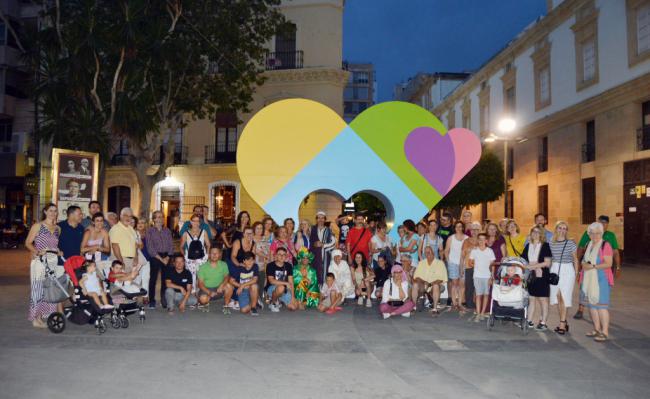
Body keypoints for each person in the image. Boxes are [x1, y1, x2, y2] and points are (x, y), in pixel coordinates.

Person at [574, 215, 621, 320]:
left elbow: (615, 253)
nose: (603, 224)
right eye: (601, 222)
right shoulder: (588, 235)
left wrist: (618, 267)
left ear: (608, 224)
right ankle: (580, 309)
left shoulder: (610, 236)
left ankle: (601, 313)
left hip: (602, 271)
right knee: (583, 289)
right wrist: (578, 268)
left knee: (601, 292)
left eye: (605, 223)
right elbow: (580, 249)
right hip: (587, 268)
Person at [25, 203, 63, 328]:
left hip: (53, 262)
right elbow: (28, 243)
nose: (53, 213)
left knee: (49, 290)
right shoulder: (38, 226)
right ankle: (36, 318)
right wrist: (36, 251)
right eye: (51, 210)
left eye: (55, 211)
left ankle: (43, 316)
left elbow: (54, 245)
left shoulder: (58, 228)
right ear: (45, 212)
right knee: (38, 289)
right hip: (40, 262)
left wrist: (58, 251)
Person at [579, 222, 614, 342]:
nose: (595, 235)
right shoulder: (589, 244)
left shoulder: (605, 245)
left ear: (601, 233)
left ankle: (604, 332)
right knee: (592, 306)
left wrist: (593, 266)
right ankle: (597, 329)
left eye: (597, 233)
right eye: (592, 233)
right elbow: (583, 261)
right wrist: (583, 265)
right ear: (589, 234)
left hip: (602, 279)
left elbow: (609, 263)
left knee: (601, 307)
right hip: (589, 279)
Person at [109, 207, 149, 293]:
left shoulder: (131, 229)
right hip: (120, 260)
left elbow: (135, 245)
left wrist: (135, 258)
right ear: (120, 216)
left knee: (128, 283)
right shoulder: (116, 228)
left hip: (130, 260)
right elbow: (115, 246)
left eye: (130, 216)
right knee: (119, 283)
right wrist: (121, 262)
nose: (128, 218)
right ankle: (118, 303)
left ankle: (128, 303)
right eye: (125, 215)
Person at [549, 221, 579, 335]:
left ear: (567, 231)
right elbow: (550, 257)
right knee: (558, 297)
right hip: (555, 269)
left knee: (564, 296)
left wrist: (576, 273)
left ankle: (562, 323)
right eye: (560, 228)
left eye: (565, 228)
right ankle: (564, 321)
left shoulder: (571, 243)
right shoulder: (551, 242)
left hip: (567, 270)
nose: (562, 230)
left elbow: (575, 259)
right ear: (556, 229)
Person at [522, 226, 552, 330]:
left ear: (541, 234)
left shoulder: (545, 246)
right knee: (531, 299)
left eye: (538, 232)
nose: (535, 233)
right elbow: (523, 261)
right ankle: (529, 321)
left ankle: (543, 322)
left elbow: (547, 263)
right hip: (531, 277)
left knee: (543, 299)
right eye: (533, 231)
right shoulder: (528, 246)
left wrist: (532, 266)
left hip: (542, 276)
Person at [145, 210, 174, 309]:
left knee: (165, 279)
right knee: (153, 279)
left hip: (167, 256)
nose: (159, 219)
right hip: (155, 257)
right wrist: (162, 259)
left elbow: (171, 245)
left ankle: (163, 300)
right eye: (157, 217)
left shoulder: (167, 230)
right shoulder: (149, 231)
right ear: (153, 219)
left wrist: (168, 257)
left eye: (161, 216)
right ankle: (152, 301)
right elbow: (150, 247)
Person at [413, 246, 448, 315]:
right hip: (423, 285)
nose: (428, 253)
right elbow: (416, 277)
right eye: (426, 252)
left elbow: (442, 279)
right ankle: (413, 307)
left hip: (435, 285)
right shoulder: (421, 263)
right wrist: (424, 282)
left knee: (435, 286)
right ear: (424, 254)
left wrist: (430, 284)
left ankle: (434, 309)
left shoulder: (440, 263)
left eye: (429, 251)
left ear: (433, 252)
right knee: (415, 284)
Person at [197, 247, 233, 313]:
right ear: (209, 254)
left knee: (229, 286)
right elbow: (200, 284)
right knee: (203, 299)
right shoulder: (203, 267)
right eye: (212, 253)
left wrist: (222, 285)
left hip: (219, 289)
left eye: (216, 253)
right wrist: (209, 292)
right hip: (207, 289)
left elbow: (227, 277)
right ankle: (206, 304)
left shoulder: (223, 264)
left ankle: (226, 306)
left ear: (219, 254)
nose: (214, 255)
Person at [180, 213, 210, 293]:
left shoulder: (204, 232)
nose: (196, 223)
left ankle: (200, 295)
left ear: (200, 222)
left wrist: (206, 256)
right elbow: (181, 246)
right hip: (190, 260)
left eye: (198, 221)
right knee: (191, 278)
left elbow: (208, 244)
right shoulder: (186, 233)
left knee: (201, 278)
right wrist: (185, 256)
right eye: (194, 221)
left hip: (202, 259)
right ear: (191, 222)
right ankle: (192, 296)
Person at [469, 233, 496, 322]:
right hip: (477, 275)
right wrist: (474, 264)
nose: (481, 241)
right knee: (478, 295)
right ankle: (478, 312)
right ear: (478, 240)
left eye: (483, 239)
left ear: (486, 241)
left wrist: (492, 276)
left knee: (486, 295)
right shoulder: (474, 250)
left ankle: (482, 313)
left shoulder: (490, 251)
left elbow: (492, 265)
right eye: (479, 239)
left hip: (487, 276)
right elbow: (470, 262)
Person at [266, 247, 297, 312]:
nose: (282, 256)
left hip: (284, 289)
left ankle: (279, 300)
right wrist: (285, 283)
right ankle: (273, 303)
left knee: (294, 307)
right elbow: (271, 281)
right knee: (281, 287)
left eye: (284, 255)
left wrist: (293, 297)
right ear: (276, 255)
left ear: (286, 256)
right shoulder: (270, 265)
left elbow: (291, 282)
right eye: (279, 254)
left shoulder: (288, 266)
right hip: (272, 289)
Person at [229, 251, 260, 316]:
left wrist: (243, 285)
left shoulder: (255, 266)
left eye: (251, 260)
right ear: (244, 261)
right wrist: (240, 286)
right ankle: (254, 302)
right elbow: (231, 281)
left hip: (250, 288)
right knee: (244, 310)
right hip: (242, 290)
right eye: (247, 260)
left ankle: (253, 307)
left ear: (254, 261)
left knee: (254, 286)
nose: (249, 262)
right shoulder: (239, 268)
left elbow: (255, 280)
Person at [309, 211, 336, 285]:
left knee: (324, 272)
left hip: (325, 255)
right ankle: (315, 291)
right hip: (314, 255)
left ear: (325, 219)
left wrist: (323, 245)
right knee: (314, 272)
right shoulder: (311, 229)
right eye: (319, 218)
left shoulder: (329, 230)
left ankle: (323, 291)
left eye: (322, 218)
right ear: (316, 219)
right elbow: (308, 242)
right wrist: (314, 244)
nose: (320, 220)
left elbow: (333, 243)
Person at [446, 221, 467, 310]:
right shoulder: (451, 238)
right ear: (454, 228)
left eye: (460, 226)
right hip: (453, 263)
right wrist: (449, 261)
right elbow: (446, 250)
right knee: (454, 284)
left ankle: (460, 303)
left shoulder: (467, 238)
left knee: (462, 284)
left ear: (463, 227)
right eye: (457, 227)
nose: (458, 228)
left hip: (464, 264)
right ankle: (454, 303)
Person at [460, 222, 480, 311]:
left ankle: (478, 304)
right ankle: (469, 305)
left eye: (476, 229)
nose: (474, 231)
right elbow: (462, 256)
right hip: (468, 267)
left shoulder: (483, 240)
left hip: (480, 267)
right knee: (469, 287)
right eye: (472, 230)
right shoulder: (466, 241)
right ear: (470, 231)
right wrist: (461, 268)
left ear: (480, 230)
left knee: (478, 287)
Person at [252, 221, 271, 304]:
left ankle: (259, 300)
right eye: (257, 228)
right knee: (253, 283)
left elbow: (268, 250)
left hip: (263, 265)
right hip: (252, 264)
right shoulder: (250, 238)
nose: (259, 230)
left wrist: (268, 258)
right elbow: (253, 250)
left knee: (261, 282)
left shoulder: (265, 239)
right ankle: (253, 299)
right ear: (254, 229)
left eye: (261, 228)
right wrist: (263, 255)